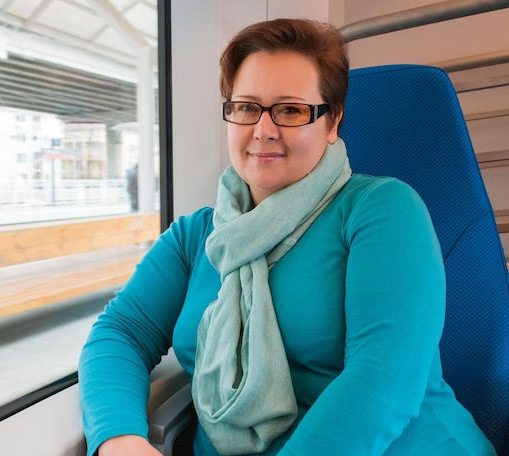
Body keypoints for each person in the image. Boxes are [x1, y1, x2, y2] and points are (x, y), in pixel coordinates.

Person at [78, 18, 496, 456]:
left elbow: (382, 379)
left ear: (332, 121)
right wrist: (119, 438)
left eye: (290, 110)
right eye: (246, 107)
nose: (263, 129)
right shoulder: (195, 235)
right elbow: (121, 331)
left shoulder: (382, 209)